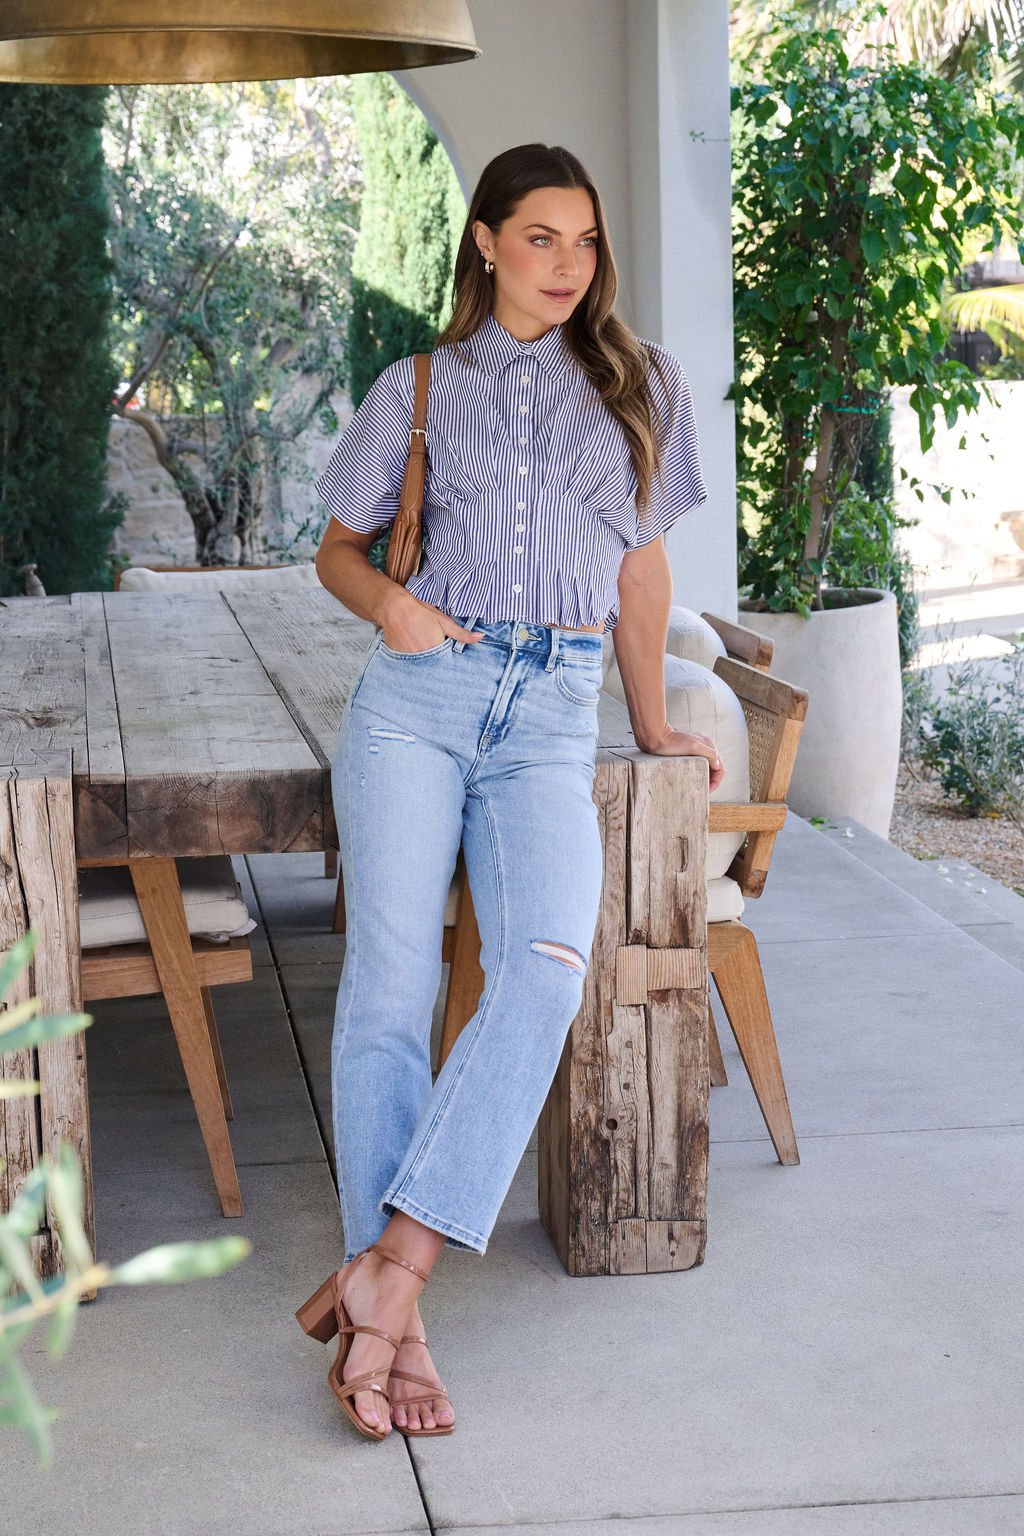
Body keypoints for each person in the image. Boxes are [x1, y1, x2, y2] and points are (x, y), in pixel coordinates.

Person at [299, 142, 724, 1442]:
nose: (567, 266)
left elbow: (640, 574)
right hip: (419, 705)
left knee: (541, 968)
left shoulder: (644, 383)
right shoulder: (415, 386)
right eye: (540, 239)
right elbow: (335, 552)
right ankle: (400, 1335)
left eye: (584, 243)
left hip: (552, 714)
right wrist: (397, 610)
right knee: (390, 987)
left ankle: (392, 1273)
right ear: (483, 242)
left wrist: (653, 725)